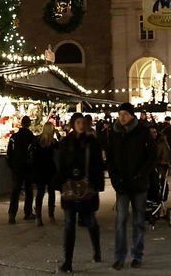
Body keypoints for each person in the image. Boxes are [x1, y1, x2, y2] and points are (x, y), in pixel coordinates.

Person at [108, 102, 157, 270]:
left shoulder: (142, 132)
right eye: (120, 114)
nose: (122, 117)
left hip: (138, 184)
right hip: (122, 184)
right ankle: (120, 257)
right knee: (121, 220)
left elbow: (152, 156)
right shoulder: (114, 133)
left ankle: (137, 255)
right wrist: (114, 178)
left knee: (138, 221)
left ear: (132, 116)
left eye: (125, 114)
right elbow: (110, 158)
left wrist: (141, 173)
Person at [55, 112, 105, 273]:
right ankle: (68, 261)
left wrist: (97, 184)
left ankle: (97, 251)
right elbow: (61, 164)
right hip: (70, 187)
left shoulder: (92, 142)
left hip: (88, 187)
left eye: (83, 122)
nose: (81, 125)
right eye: (78, 122)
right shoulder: (66, 142)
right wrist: (61, 182)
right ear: (73, 124)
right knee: (69, 225)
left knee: (91, 222)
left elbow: (98, 164)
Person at [6, 116, 36, 224]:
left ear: (21, 123)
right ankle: (28, 212)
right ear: (29, 124)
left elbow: (9, 153)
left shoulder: (14, 137)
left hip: (17, 167)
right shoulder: (31, 137)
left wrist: (11, 165)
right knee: (28, 190)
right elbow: (34, 153)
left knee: (15, 191)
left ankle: (12, 214)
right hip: (28, 167)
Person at [33, 122, 58, 226]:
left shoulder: (37, 140)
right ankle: (51, 215)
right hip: (50, 169)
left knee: (40, 192)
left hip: (39, 169)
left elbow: (34, 156)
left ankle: (38, 217)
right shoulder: (53, 142)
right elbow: (60, 148)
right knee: (51, 192)